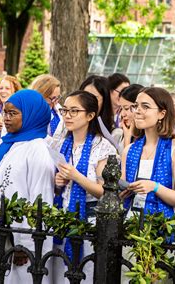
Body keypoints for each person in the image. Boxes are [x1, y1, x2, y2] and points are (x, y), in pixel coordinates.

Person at [0, 90, 55, 284]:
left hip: (18, 238)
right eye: (6, 112)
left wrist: (25, 244)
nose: (7, 118)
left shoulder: (38, 149)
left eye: (14, 113)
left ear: (30, 114)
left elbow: (41, 198)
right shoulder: (9, 143)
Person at [50, 90, 116, 283]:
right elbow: (58, 185)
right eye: (65, 111)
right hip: (62, 218)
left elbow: (107, 192)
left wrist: (77, 177)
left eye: (74, 111)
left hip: (89, 221)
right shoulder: (61, 143)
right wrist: (58, 182)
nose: (68, 116)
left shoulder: (102, 147)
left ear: (90, 115)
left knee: (85, 273)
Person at [119, 87, 175, 220]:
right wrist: (122, 190)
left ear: (161, 114)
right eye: (136, 106)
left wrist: (155, 187)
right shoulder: (129, 150)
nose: (138, 111)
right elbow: (121, 193)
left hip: (162, 226)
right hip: (130, 222)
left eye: (145, 106)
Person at [111, 84, 143, 154]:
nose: (122, 114)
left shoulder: (148, 138)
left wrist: (127, 138)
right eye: (121, 109)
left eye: (126, 108)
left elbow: (129, 163)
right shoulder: (124, 133)